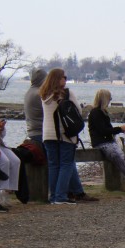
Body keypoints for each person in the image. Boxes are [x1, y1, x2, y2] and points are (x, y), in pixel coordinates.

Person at [40, 68, 83, 206]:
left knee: (53, 165)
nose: (65, 79)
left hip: (48, 134)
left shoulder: (44, 95)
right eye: (64, 77)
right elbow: (78, 110)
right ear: (59, 79)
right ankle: (61, 195)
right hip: (64, 134)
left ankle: (53, 196)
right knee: (66, 164)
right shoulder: (67, 94)